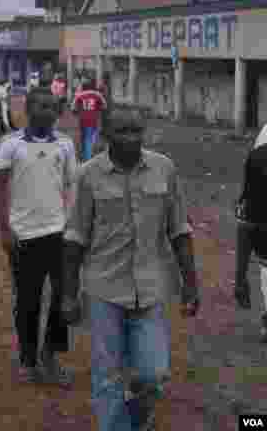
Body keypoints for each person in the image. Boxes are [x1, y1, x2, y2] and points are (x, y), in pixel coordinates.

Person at [64, 104, 200, 430]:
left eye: (137, 130)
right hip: (104, 289)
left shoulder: (164, 169)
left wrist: (191, 283)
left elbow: (179, 229)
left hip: (150, 289)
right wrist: (68, 294)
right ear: (107, 134)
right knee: (107, 376)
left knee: (153, 374)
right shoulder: (87, 175)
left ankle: (136, 418)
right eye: (123, 131)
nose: (131, 137)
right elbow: (74, 238)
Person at [0, 86, 76, 387]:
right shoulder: (10, 144)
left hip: (59, 234)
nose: (47, 111)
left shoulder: (65, 145)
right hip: (23, 237)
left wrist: (72, 227)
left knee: (62, 298)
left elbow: (71, 186)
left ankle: (51, 356)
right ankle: (28, 360)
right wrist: (5, 230)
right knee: (28, 301)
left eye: (52, 106)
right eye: (40, 106)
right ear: (27, 109)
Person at [235, 122, 267, 343]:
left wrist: (240, 279)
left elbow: (247, 223)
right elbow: (247, 223)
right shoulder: (260, 159)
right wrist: (239, 279)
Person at [74, 79, 107, 162]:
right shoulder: (97, 95)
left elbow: (73, 108)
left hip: (83, 120)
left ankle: (86, 156)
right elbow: (104, 106)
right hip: (94, 120)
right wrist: (97, 109)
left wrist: (79, 111)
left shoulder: (80, 95)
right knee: (90, 138)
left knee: (85, 138)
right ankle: (88, 157)